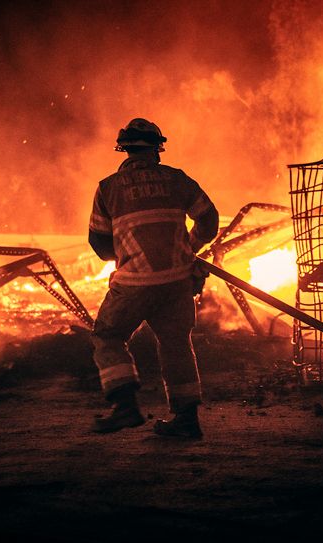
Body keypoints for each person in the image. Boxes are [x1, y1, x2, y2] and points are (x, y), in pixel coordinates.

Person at [88, 117, 219, 438]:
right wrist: (190, 246)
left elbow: (99, 242)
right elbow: (209, 219)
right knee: (176, 344)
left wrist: (123, 257)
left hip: (135, 282)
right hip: (178, 281)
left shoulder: (108, 188)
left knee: (107, 335)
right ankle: (187, 420)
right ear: (158, 150)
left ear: (124, 149)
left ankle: (125, 406)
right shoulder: (177, 179)